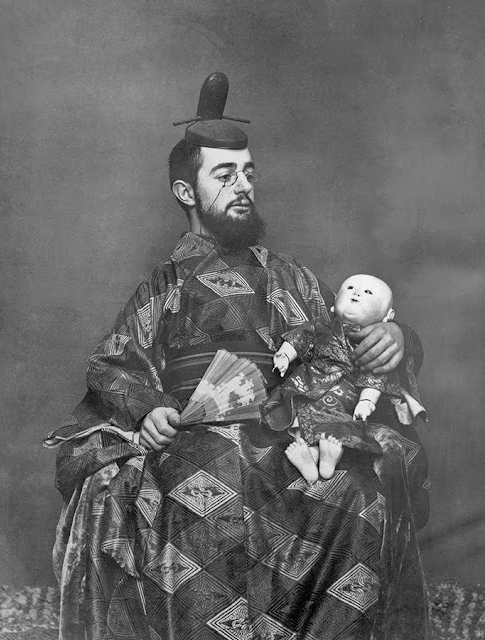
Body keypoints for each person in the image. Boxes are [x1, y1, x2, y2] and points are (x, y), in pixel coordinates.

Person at [44, 73, 433, 640]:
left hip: (290, 431)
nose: (243, 185)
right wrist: (150, 408)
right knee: (211, 476)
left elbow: (346, 337)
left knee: (357, 491)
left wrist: (398, 339)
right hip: (198, 441)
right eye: (224, 176)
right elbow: (112, 364)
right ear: (187, 193)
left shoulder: (291, 277)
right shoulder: (165, 286)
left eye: (249, 173)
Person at [261, 274, 426, 483]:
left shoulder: (377, 342)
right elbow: (300, 338)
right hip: (308, 382)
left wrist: (367, 401)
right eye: (350, 288)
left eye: (367, 292)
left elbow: (374, 374)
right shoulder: (321, 327)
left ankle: (329, 455)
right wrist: (285, 355)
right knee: (297, 412)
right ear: (334, 304)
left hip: (345, 395)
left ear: (388, 316)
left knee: (338, 424)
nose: (356, 293)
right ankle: (309, 456)